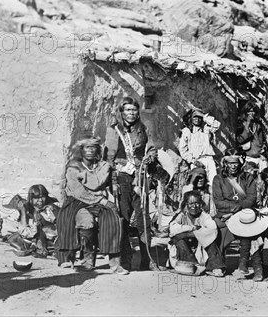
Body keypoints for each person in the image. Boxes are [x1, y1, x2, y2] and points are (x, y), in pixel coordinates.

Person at [56, 136, 128, 274]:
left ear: (97, 149)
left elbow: (96, 184)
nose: (90, 150)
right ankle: (86, 259)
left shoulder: (102, 166)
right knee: (86, 222)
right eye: (86, 147)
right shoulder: (73, 167)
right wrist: (102, 200)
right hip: (77, 201)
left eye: (93, 147)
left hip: (98, 201)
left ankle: (115, 264)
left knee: (113, 220)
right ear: (81, 150)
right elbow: (79, 191)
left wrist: (103, 198)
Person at [104, 96, 158, 271]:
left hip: (141, 177)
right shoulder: (114, 130)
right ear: (122, 112)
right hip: (122, 179)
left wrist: (150, 156)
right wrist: (114, 174)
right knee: (124, 219)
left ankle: (147, 260)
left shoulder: (144, 129)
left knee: (144, 219)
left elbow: (151, 148)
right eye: (127, 110)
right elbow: (109, 157)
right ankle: (124, 261)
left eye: (134, 110)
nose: (131, 113)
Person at [211, 149, 263, 280]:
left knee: (249, 231)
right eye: (229, 163)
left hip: (244, 214)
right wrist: (234, 209)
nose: (233, 166)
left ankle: (244, 267)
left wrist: (237, 209)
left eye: (235, 162)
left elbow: (251, 198)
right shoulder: (218, 179)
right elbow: (218, 202)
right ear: (225, 164)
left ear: (240, 163)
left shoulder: (248, 178)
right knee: (215, 228)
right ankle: (219, 264)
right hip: (224, 215)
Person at [169, 191, 225, 277]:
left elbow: (212, 228)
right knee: (178, 239)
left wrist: (187, 234)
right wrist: (192, 228)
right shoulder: (182, 215)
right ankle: (192, 265)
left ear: (201, 204)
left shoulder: (204, 216)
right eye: (191, 203)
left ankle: (215, 267)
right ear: (186, 204)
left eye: (197, 203)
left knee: (210, 239)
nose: (194, 206)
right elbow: (173, 228)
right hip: (186, 251)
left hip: (201, 248)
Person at [0, 185, 59, 258]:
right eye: (37, 198)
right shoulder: (28, 208)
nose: (40, 200)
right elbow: (23, 229)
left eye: (42, 197)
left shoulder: (51, 207)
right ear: (31, 198)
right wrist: (23, 211)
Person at [178, 106, 220, 186]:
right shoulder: (187, 131)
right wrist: (193, 161)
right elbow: (183, 151)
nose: (197, 119)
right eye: (195, 117)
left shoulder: (206, 129)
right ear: (191, 118)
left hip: (209, 160)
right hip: (197, 161)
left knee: (213, 184)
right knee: (197, 184)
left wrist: (204, 116)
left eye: (199, 117)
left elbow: (216, 124)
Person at [237, 102, 268, 171]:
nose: (251, 113)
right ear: (245, 112)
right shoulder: (241, 124)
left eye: (253, 111)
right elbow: (240, 140)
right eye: (249, 111)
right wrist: (248, 124)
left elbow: (261, 139)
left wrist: (263, 147)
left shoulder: (258, 124)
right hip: (248, 157)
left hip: (259, 156)